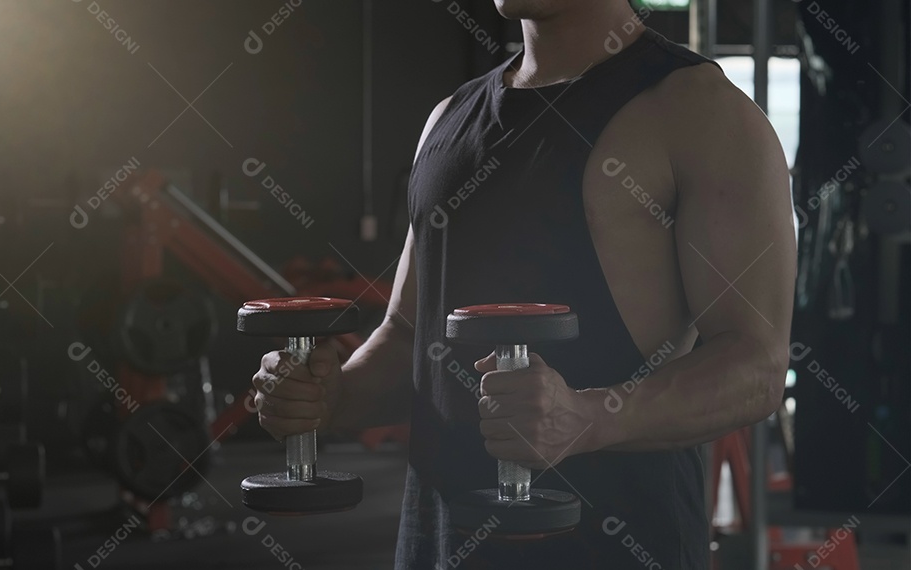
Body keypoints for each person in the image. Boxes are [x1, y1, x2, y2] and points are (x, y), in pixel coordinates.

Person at [251, 0, 797, 567]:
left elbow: (755, 367)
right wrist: (331, 396)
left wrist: (588, 418)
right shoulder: (448, 118)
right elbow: (408, 335)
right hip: (438, 547)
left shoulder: (701, 112)